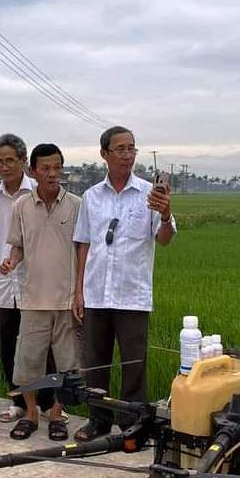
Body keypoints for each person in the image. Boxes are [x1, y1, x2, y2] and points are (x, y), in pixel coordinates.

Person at [72, 126, 176, 442]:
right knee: (95, 364)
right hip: (96, 293)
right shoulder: (91, 196)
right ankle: (98, 421)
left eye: (132, 148)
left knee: (134, 364)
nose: (127, 155)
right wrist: (78, 291)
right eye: (120, 149)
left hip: (132, 295)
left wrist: (167, 212)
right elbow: (84, 244)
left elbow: (165, 239)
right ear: (104, 154)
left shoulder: (150, 194)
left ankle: (133, 425)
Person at [2, 143, 82, 441]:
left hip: (66, 299)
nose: (52, 173)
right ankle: (32, 414)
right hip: (33, 298)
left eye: (57, 167)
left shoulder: (76, 204)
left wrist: (79, 292)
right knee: (29, 363)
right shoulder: (21, 206)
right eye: (45, 168)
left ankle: (58, 414)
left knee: (68, 364)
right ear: (33, 171)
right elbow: (18, 245)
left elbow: (83, 248)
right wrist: (12, 260)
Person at [0, 133, 57, 422]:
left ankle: (47, 403)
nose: (4, 166)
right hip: (2, 281)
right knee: (7, 343)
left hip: (34, 283)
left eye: (10, 160)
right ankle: (19, 402)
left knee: (41, 346)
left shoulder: (38, 192)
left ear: (23, 161)